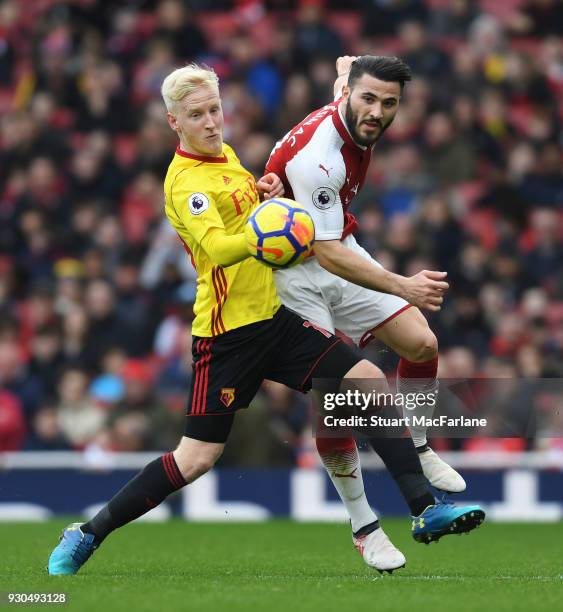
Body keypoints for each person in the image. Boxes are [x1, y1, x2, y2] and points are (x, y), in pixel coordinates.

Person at [48, 63, 483, 576]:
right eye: (197, 115)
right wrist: (264, 231)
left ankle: (424, 508)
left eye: (215, 110)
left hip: (275, 320)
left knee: (366, 379)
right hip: (227, 337)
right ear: (174, 122)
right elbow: (215, 245)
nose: (211, 122)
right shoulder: (184, 182)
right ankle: (87, 533)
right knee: (195, 460)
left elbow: (250, 206)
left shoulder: (226, 157)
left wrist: (267, 193)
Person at [265, 55, 468, 550]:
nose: (377, 111)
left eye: (389, 102)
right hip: (295, 274)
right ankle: (364, 525)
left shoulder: (351, 106)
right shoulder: (321, 158)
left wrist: (346, 68)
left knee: (421, 344)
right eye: (369, 98)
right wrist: (403, 285)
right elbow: (325, 253)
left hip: (337, 247)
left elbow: (348, 83)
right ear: (350, 96)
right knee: (336, 401)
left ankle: (418, 447)